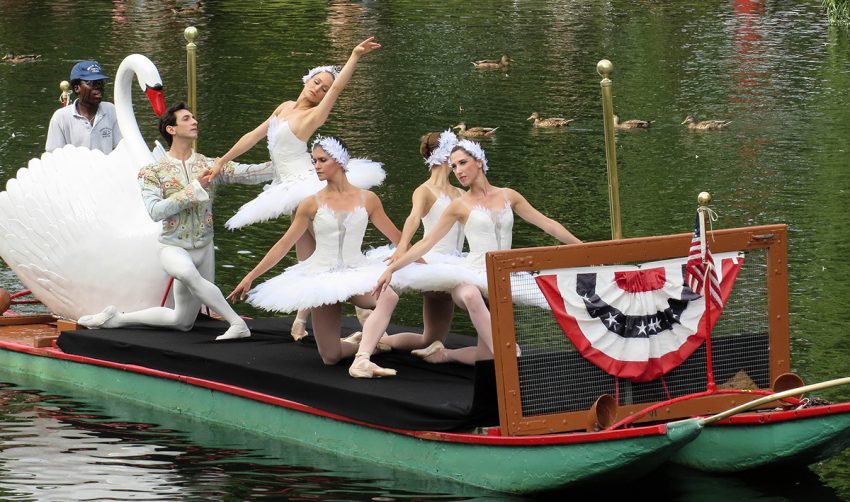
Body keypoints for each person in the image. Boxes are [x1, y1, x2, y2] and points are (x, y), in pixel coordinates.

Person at [208, 36, 382, 341]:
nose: (320, 88)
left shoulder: (312, 116)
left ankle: (364, 311)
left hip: (305, 185)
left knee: (331, 252)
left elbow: (339, 90)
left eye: (325, 87)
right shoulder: (285, 107)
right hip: (286, 187)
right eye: (317, 82)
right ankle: (303, 319)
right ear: (307, 80)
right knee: (307, 258)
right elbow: (253, 135)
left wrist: (354, 55)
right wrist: (221, 161)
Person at [77, 102, 275, 340]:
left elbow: (249, 173)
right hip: (172, 246)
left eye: (194, 118)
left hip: (204, 247)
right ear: (171, 130)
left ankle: (116, 318)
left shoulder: (209, 165)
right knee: (188, 274)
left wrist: (289, 166)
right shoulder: (153, 171)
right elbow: (155, 211)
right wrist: (194, 189)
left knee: (181, 321)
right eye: (186, 119)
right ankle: (237, 323)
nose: (194, 121)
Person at [372, 140, 582, 365]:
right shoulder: (459, 205)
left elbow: (548, 224)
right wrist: (393, 267)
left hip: (503, 276)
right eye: (453, 166)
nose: (458, 171)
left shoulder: (509, 195)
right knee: (471, 295)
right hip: (472, 274)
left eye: (463, 163)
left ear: (480, 161)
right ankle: (509, 353)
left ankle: (443, 355)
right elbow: (427, 242)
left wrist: (583, 248)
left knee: (485, 357)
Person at [228, 137, 401, 379]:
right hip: (322, 277)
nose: (316, 166)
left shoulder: (368, 199)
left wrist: (421, 259)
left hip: (357, 272)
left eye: (322, 160)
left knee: (388, 296)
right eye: (314, 161)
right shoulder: (311, 204)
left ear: (339, 161)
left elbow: (398, 239)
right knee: (330, 357)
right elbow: (283, 245)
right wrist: (250, 277)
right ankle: (368, 343)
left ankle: (362, 359)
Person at [364, 130, 464, 352]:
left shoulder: (460, 192)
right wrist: (402, 246)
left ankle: (367, 339)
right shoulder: (425, 190)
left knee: (430, 342)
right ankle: (365, 340)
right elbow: (413, 218)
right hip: (433, 262)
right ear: (446, 154)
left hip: (457, 263)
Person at [46, 60, 123, 153]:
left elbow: (120, 148)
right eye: (91, 83)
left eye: (100, 82)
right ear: (77, 88)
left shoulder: (112, 110)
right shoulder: (60, 118)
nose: (98, 87)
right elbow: (55, 156)